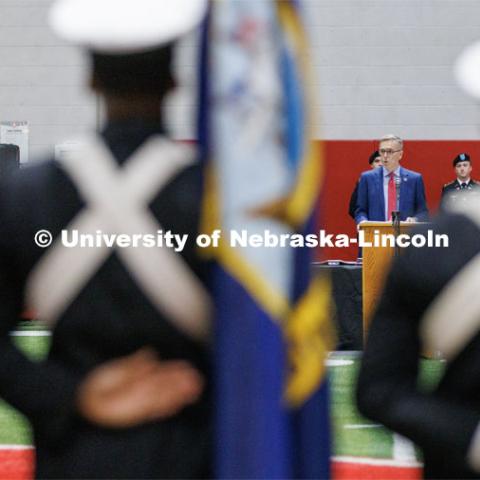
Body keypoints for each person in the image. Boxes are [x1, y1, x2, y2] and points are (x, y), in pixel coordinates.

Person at [0, 0, 211, 478]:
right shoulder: (220, 198)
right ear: (174, 82)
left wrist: (70, 396)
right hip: (195, 452)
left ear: (90, 82)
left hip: (75, 457)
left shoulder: (24, 195)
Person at [356, 43, 480, 478]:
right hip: (378, 238)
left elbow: (379, 391)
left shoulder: (432, 247)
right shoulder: (371, 180)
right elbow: (358, 206)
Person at [354, 134, 429, 224]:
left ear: (400, 154)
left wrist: (414, 220)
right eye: (382, 151)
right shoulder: (367, 178)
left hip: (405, 235)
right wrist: (363, 221)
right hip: (376, 234)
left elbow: (423, 212)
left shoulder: (414, 179)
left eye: (389, 151)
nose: (385, 156)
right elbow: (360, 211)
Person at [348, 150, 382, 219]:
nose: (380, 164)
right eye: (377, 161)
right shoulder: (364, 182)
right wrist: (364, 221)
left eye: (383, 161)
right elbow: (353, 208)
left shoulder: (396, 181)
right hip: (370, 225)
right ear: (371, 165)